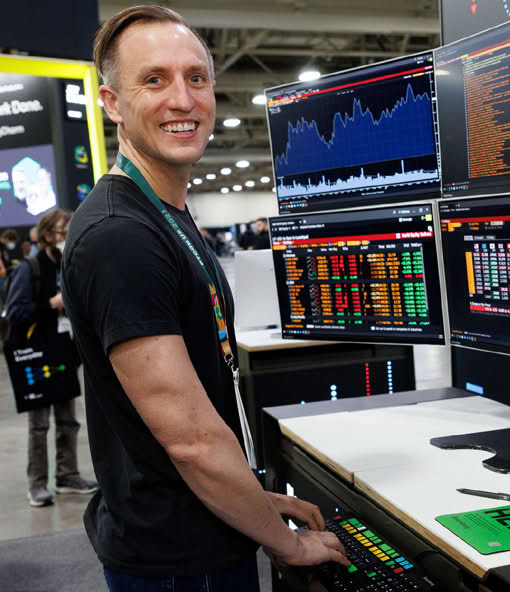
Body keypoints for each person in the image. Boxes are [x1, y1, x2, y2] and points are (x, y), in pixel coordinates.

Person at [61, 6, 348, 590]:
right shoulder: (121, 237)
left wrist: (257, 502)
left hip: (200, 523)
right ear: (113, 103)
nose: (183, 100)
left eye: (196, 78)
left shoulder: (166, 214)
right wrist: (288, 544)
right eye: (154, 79)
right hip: (179, 560)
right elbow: (191, 441)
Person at [4, 209, 99, 506]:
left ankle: (68, 475)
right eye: (63, 232)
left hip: (66, 353)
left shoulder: (73, 263)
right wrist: (51, 303)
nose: (68, 237)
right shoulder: (29, 268)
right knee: (39, 423)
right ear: (47, 236)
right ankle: (38, 484)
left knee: (68, 420)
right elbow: (15, 313)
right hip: (37, 354)